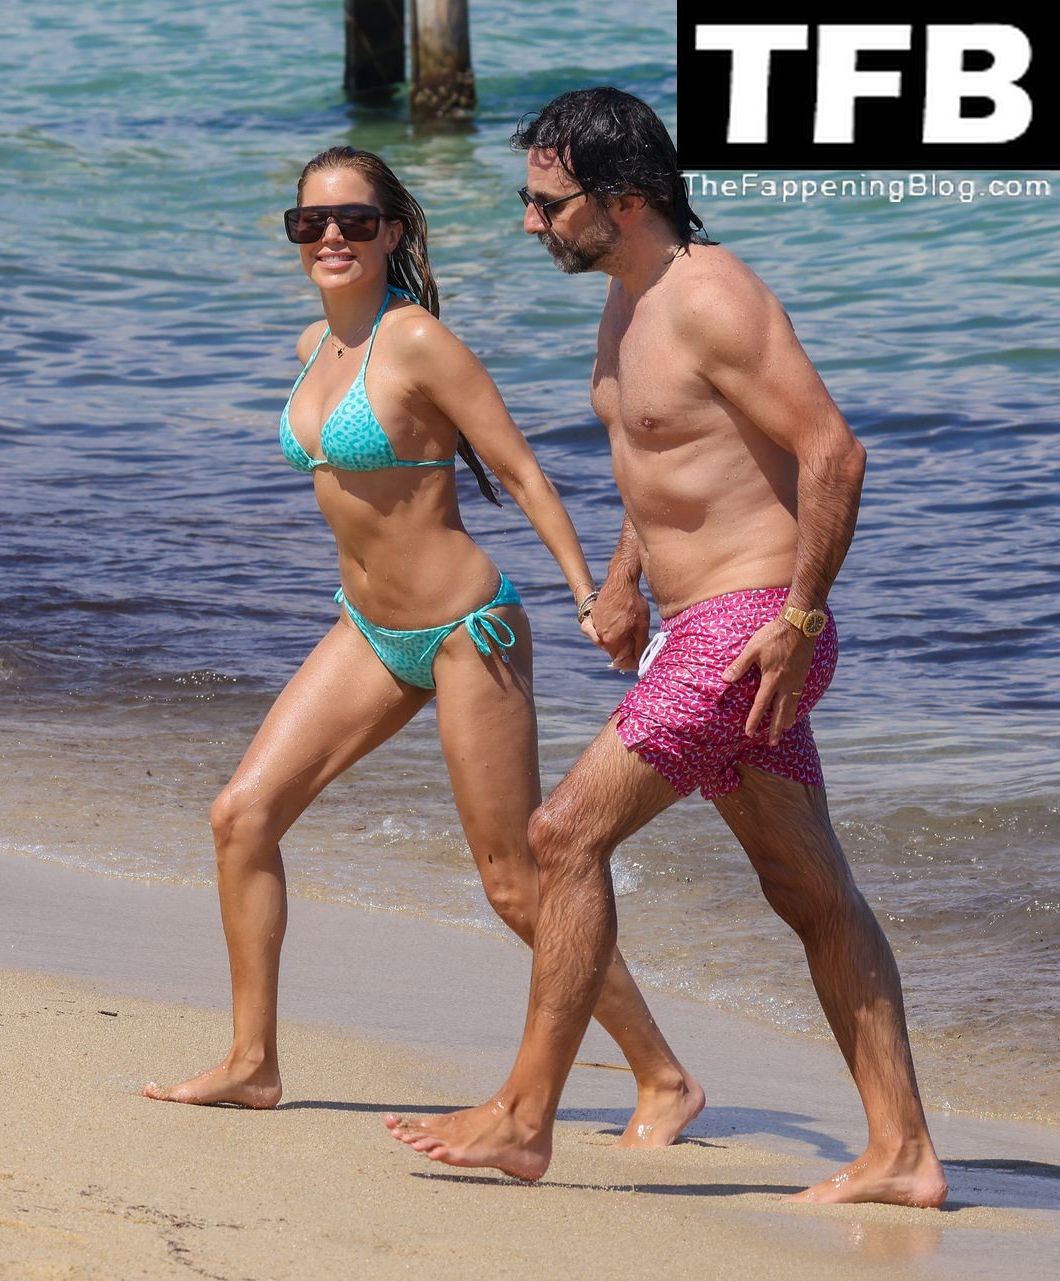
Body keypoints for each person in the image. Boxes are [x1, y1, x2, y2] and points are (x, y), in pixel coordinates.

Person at [387, 89, 947, 1208]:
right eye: (530, 201)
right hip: (702, 628)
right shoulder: (627, 299)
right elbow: (669, 466)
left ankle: (524, 1117)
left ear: (626, 200)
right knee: (810, 889)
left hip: (751, 631)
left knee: (563, 833)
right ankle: (903, 1153)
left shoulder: (712, 297)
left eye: (549, 204)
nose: (532, 223)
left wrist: (799, 620)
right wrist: (626, 580)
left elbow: (833, 453)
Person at [143, 145, 703, 1149]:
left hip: (464, 633)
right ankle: (252, 1061)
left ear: (392, 232)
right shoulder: (314, 344)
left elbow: (521, 473)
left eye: (355, 221)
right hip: (368, 627)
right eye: (310, 223)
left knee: (515, 882)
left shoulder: (418, 341)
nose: (331, 237)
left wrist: (591, 593)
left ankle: (662, 1075)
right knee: (242, 817)